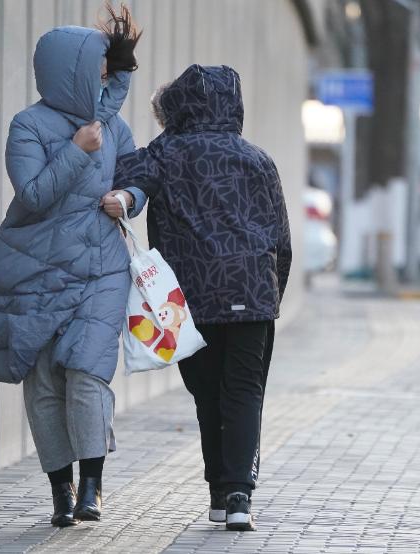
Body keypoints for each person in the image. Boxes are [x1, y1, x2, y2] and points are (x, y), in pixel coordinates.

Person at [103, 65, 292, 531]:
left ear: (177, 108)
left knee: (207, 395)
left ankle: (217, 494)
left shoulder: (164, 154)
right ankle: (240, 497)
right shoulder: (258, 159)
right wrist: (272, 297)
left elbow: (126, 179)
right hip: (253, 295)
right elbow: (281, 239)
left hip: (190, 300)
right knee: (245, 393)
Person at [0, 5, 142, 527]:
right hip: (37, 267)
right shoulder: (27, 126)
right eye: (96, 67)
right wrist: (75, 150)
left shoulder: (116, 129)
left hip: (102, 268)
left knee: (87, 370)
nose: (103, 77)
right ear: (67, 71)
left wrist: (128, 197)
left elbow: (139, 182)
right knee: (45, 380)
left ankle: (92, 487)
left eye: (107, 69)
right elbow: (33, 193)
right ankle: (60, 490)